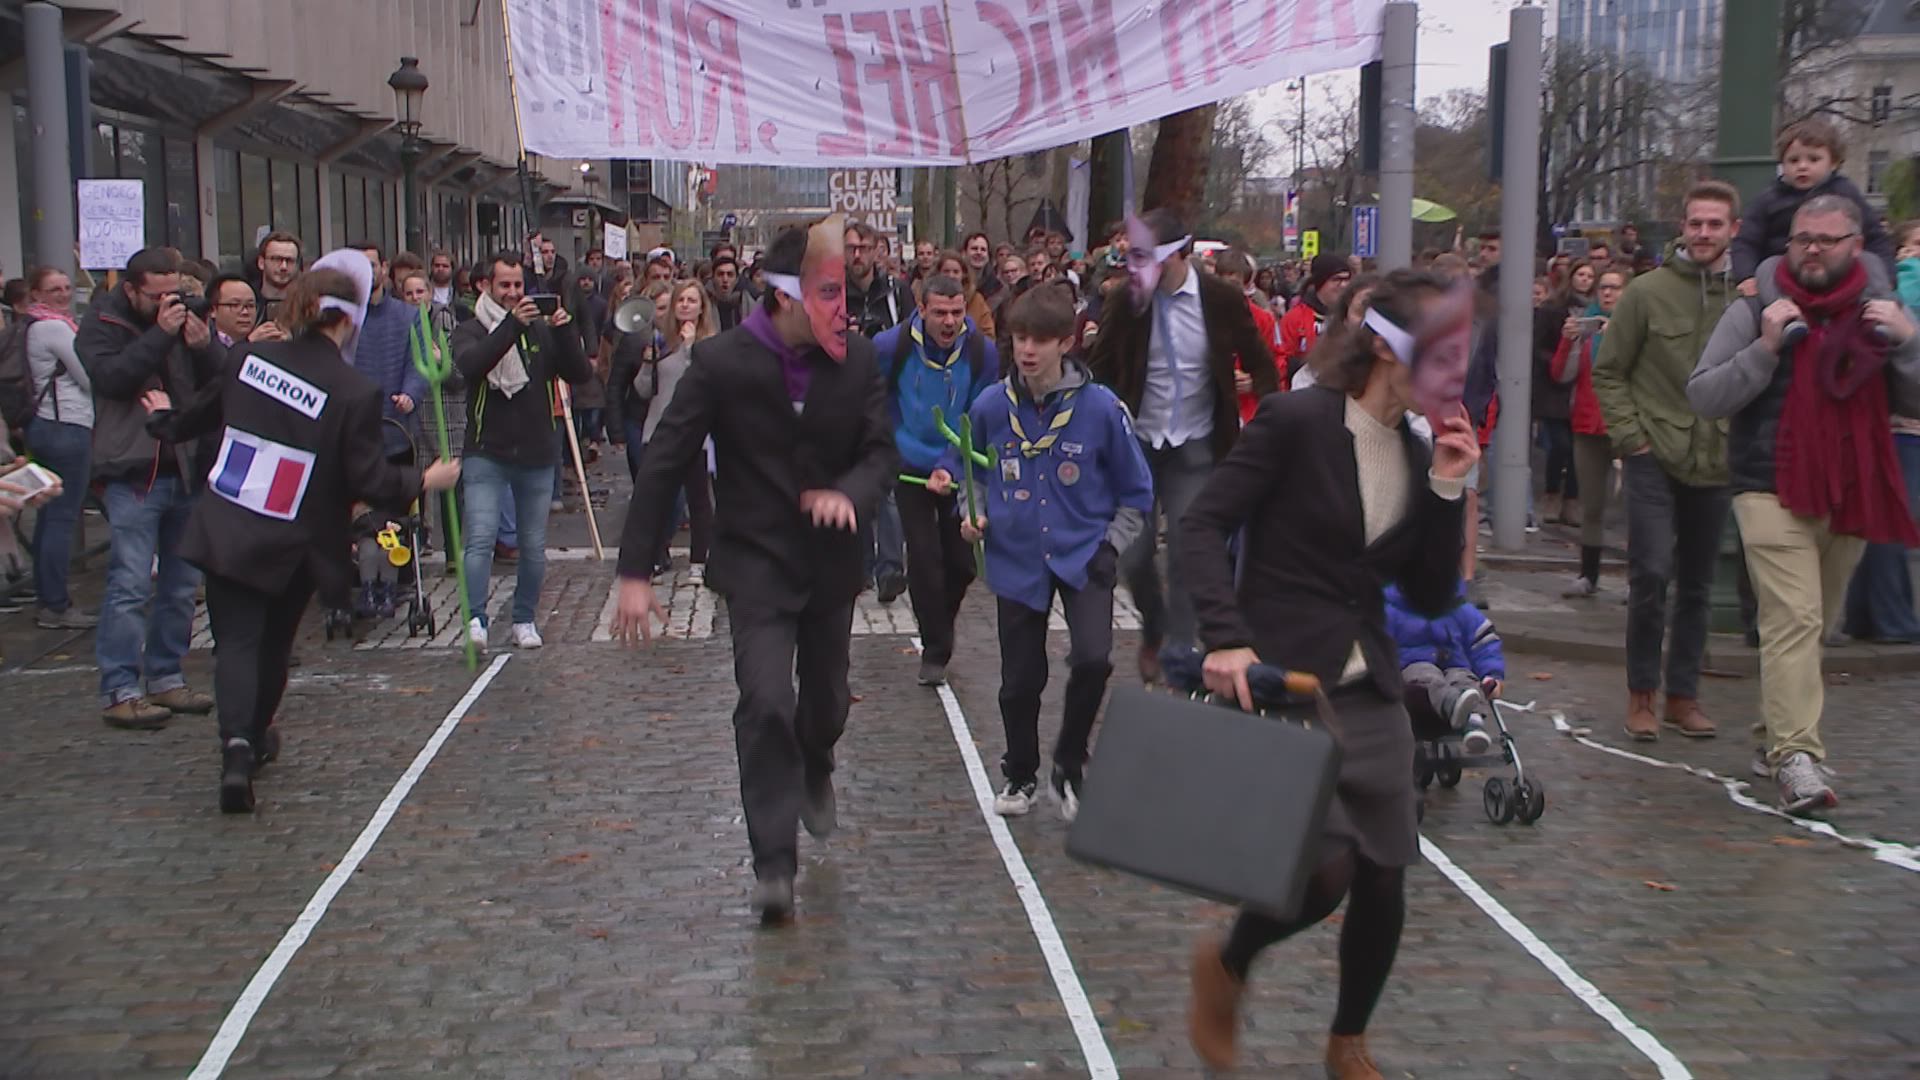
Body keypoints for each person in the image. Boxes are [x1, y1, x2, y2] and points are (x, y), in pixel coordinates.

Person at [1179, 268, 1477, 1079]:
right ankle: (1229, 964)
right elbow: (1202, 527)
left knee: (1385, 872)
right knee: (1327, 869)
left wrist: (1447, 489)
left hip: (1368, 684)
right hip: (1285, 676)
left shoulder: (1416, 453)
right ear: (1385, 347)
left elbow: (1429, 594)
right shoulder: (1296, 421)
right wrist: (1226, 639)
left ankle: (1349, 1044)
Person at [612, 215, 898, 924]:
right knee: (766, 701)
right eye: (825, 296)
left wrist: (850, 495)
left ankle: (818, 761)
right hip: (755, 564)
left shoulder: (857, 360)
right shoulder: (721, 364)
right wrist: (634, 572)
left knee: (825, 703)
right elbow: (665, 461)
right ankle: (773, 864)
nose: (840, 310)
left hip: (830, 565)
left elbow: (880, 454)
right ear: (782, 297)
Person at [141, 255, 459, 812]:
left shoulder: (248, 358)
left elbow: (194, 419)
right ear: (348, 320)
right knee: (273, 647)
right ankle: (254, 734)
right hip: (295, 538)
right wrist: (424, 479)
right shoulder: (353, 390)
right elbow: (370, 478)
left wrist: (161, 417)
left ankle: (237, 748)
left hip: (230, 522)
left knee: (235, 643)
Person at [1688, 195, 1920, 815]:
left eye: (1827, 239)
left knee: (1817, 622)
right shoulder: (1755, 308)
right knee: (1794, 616)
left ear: (1856, 246)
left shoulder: (1884, 312)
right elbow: (1704, 394)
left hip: (1853, 485)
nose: (1812, 249)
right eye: (1801, 239)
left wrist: (1907, 344)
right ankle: (1797, 757)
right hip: (1768, 483)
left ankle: (1772, 735)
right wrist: (1764, 348)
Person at [934, 283, 1151, 818]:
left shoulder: (1101, 409)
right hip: (1017, 554)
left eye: (1040, 340)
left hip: (1085, 553)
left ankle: (1070, 763)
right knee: (1019, 680)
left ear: (1066, 343)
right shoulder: (992, 405)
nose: (1027, 350)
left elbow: (1137, 492)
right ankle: (1020, 772)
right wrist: (970, 510)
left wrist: (1111, 546)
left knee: (1095, 659)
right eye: (1020, 339)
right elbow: (971, 470)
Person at [1085, 209, 1279, 683]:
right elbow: (1100, 368)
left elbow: (1262, 362)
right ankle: (1154, 622)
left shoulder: (1221, 299)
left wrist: (1271, 418)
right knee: (1134, 551)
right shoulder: (1127, 301)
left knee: (1188, 549)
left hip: (1196, 441)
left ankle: (1177, 647)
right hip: (1138, 441)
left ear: (1181, 255)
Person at [1590, 181, 1741, 742]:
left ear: (1733, 230)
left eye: (1715, 224)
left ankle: (1684, 695)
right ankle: (1642, 694)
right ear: (1682, 227)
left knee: (1697, 583)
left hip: (1716, 457)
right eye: (1695, 223)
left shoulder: (1746, 297)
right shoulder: (1646, 292)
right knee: (1651, 572)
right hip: (1653, 451)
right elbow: (1609, 370)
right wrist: (1632, 438)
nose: (1703, 233)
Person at [77, 246, 226, 730]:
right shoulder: (101, 324)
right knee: (130, 583)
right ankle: (120, 688)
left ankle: (165, 677)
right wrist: (161, 334)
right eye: (157, 296)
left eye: (173, 294)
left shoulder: (182, 319)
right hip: (132, 469)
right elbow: (113, 379)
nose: (167, 303)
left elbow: (221, 381)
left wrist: (204, 346)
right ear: (131, 289)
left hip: (183, 464)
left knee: (181, 586)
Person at [452, 250, 592, 652]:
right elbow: (471, 366)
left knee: (532, 544)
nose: (513, 293)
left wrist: (564, 331)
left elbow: (579, 374)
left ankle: (524, 618)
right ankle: (475, 618)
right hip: (486, 450)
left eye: (518, 285)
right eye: (505, 286)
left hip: (535, 452)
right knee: (480, 536)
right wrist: (512, 326)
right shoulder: (471, 328)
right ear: (486, 286)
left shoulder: (540, 331)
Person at [874, 274, 999, 686]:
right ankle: (935, 649)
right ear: (921, 309)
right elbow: (875, 400)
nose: (949, 322)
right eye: (940, 313)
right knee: (925, 559)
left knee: (962, 563)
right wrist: (889, 448)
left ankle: (939, 622)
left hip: (958, 463)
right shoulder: (890, 346)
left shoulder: (982, 352)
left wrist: (949, 463)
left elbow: (980, 413)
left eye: (957, 313)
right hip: (908, 466)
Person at [1842, 220, 1920, 642]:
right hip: (1900, 424)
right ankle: (1891, 619)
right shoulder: (1896, 290)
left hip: (1895, 419)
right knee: (1889, 522)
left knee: (1880, 522)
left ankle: (1868, 617)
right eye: (1916, 243)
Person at [1731, 118, 1894, 295]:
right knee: (1768, 267)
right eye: (1793, 160)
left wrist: (1888, 276)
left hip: (1837, 274)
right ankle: (1781, 308)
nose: (1802, 166)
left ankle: (1880, 301)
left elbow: (1875, 237)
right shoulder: (1769, 198)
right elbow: (1746, 241)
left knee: (1869, 260)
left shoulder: (1846, 193)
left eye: (1813, 159)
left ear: (1833, 163)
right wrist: (1746, 275)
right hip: (1785, 274)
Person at [20, 267, 96, 629]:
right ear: (36, 294)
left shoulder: (32, 326)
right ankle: (55, 604)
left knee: (50, 516)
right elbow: (89, 377)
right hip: (67, 425)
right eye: (54, 289)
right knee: (61, 517)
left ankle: (47, 596)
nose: (64, 294)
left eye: (67, 287)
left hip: (44, 425)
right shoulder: (54, 328)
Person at [1551, 267, 1630, 595]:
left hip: (1626, 425)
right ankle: (1589, 575)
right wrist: (1569, 342)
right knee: (1592, 505)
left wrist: (1617, 337)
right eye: (1603, 287)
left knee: (1634, 506)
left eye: (1615, 288)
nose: (1607, 293)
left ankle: (1637, 579)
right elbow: (1561, 375)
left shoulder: (1636, 325)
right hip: (1587, 424)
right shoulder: (1587, 326)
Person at [643, 279, 719, 579]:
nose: (685, 305)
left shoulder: (709, 345)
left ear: (701, 308)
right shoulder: (661, 340)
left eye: (691, 300)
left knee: (698, 499)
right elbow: (643, 390)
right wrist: (646, 365)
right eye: (681, 300)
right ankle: (654, 554)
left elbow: (704, 382)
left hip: (695, 434)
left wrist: (689, 348)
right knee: (657, 499)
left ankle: (699, 559)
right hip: (659, 429)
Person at [1386, 582, 1506, 755]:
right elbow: (1377, 645)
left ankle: (1473, 722)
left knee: (1465, 679)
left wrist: (1492, 674)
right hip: (1413, 666)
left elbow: (1484, 643)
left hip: (1455, 664)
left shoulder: (1458, 607)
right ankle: (1454, 705)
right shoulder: (1392, 610)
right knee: (1427, 677)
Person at [1212, 249, 1283, 423]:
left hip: (1251, 409)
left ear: (1246, 284)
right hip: (1213, 408)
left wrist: (1256, 381)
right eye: (1222, 283)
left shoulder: (1264, 319)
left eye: (1234, 284)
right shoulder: (1203, 316)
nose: (1227, 290)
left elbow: (1278, 359)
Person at [1278, 254, 1353, 389]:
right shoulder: (1294, 318)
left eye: (1347, 279)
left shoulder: (1353, 315)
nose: (1343, 285)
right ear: (1320, 281)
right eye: (1336, 279)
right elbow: (1283, 360)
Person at [255, 231, 301, 322]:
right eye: (276, 259)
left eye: (290, 261)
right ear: (261, 262)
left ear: (297, 265)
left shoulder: (307, 304)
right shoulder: (248, 302)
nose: (284, 267)